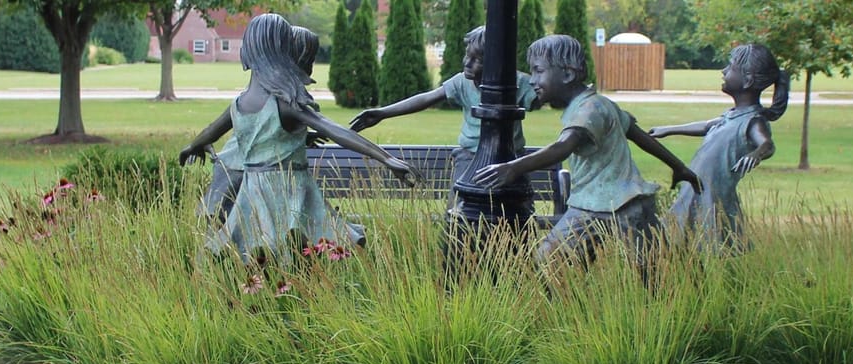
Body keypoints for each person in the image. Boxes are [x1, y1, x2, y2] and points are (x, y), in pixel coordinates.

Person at [179, 14, 418, 262]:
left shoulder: (240, 104)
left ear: (248, 48)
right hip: (288, 190)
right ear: (283, 51)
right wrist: (386, 158)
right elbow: (335, 130)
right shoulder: (285, 104)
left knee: (261, 254)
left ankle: (268, 296)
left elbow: (210, 132)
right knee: (293, 253)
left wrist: (191, 146)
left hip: (253, 191)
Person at [475, 35, 701, 265]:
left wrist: (515, 167)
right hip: (601, 203)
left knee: (654, 270)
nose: (532, 80)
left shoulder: (589, 108)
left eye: (538, 71)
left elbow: (563, 147)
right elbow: (640, 136)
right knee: (552, 261)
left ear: (567, 74)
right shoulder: (597, 104)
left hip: (617, 206)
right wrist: (679, 166)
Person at [348, 26, 542, 206]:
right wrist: (383, 113)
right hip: (469, 157)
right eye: (467, 55)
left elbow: (548, 94)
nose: (467, 62)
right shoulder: (461, 83)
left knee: (519, 206)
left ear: (496, 63)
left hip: (511, 159)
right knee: (457, 208)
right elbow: (426, 99)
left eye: (477, 60)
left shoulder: (517, 83)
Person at [649, 44, 788, 253]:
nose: (723, 71)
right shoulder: (731, 116)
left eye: (730, 67)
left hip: (714, 195)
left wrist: (756, 154)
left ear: (748, 80)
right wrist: (668, 129)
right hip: (696, 187)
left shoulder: (753, 120)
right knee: (681, 233)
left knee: (717, 241)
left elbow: (767, 144)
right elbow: (706, 126)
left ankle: (721, 278)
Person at [180, 26, 324, 223]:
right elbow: (231, 129)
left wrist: (300, 136)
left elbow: (272, 129)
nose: (311, 66)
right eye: (310, 59)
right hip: (239, 166)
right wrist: (195, 145)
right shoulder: (280, 95)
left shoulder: (282, 94)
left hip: (251, 172)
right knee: (226, 222)